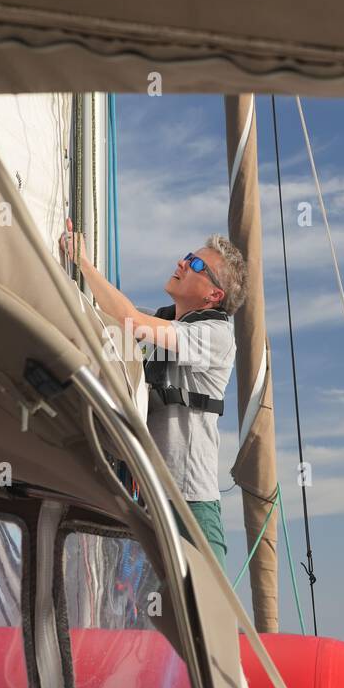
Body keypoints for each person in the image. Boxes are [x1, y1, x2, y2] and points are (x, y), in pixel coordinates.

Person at [59, 218, 247, 569]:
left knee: (204, 613)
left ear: (214, 295)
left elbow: (128, 318)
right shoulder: (161, 326)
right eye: (186, 257)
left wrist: (82, 262)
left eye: (195, 265)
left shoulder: (216, 337)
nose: (181, 263)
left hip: (189, 505)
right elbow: (99, 318)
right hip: (143, 497)